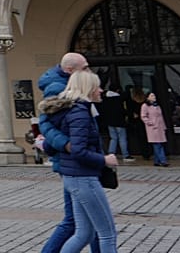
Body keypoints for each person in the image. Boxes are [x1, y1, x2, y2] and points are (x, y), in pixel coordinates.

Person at [41, 69, 120, 253]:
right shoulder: (80, 112)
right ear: (88, 88)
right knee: (107, 234)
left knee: (84, 233)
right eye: (97, 86)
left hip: (74, 176)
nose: (101, 90)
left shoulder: (71, 109)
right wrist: (104, 159)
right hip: (84, 177)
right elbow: (79, 151)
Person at [36, 52, 100, 253]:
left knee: (90, 219)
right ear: (70, 70)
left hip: (78, 160)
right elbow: (46, 124)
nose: (88, 71)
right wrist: (66, 145)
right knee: (76, 220)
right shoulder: (57, 87)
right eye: (85, 68)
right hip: (72, 161)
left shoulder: (69, 84)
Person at [98, 87, 131, 161]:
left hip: (110, 122)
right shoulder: (119, 99)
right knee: (122, 138)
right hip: (119, 121)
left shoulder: (105, 99)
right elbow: (122, 110)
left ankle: (111, 153)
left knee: (113, 138)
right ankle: (125, 155)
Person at [140, 92, 169, 167]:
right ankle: (163, 160)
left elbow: (161, 117)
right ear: (148, 97)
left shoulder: (157, 105)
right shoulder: (145, 106)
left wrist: (164, 127)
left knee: (159, 144)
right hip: (152, 128)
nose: (154, 97)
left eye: (154, 95)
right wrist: (150, 123)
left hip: (160, 127)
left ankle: (156, 161)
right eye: (152, 96)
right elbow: (143, 116)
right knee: (157, 144)